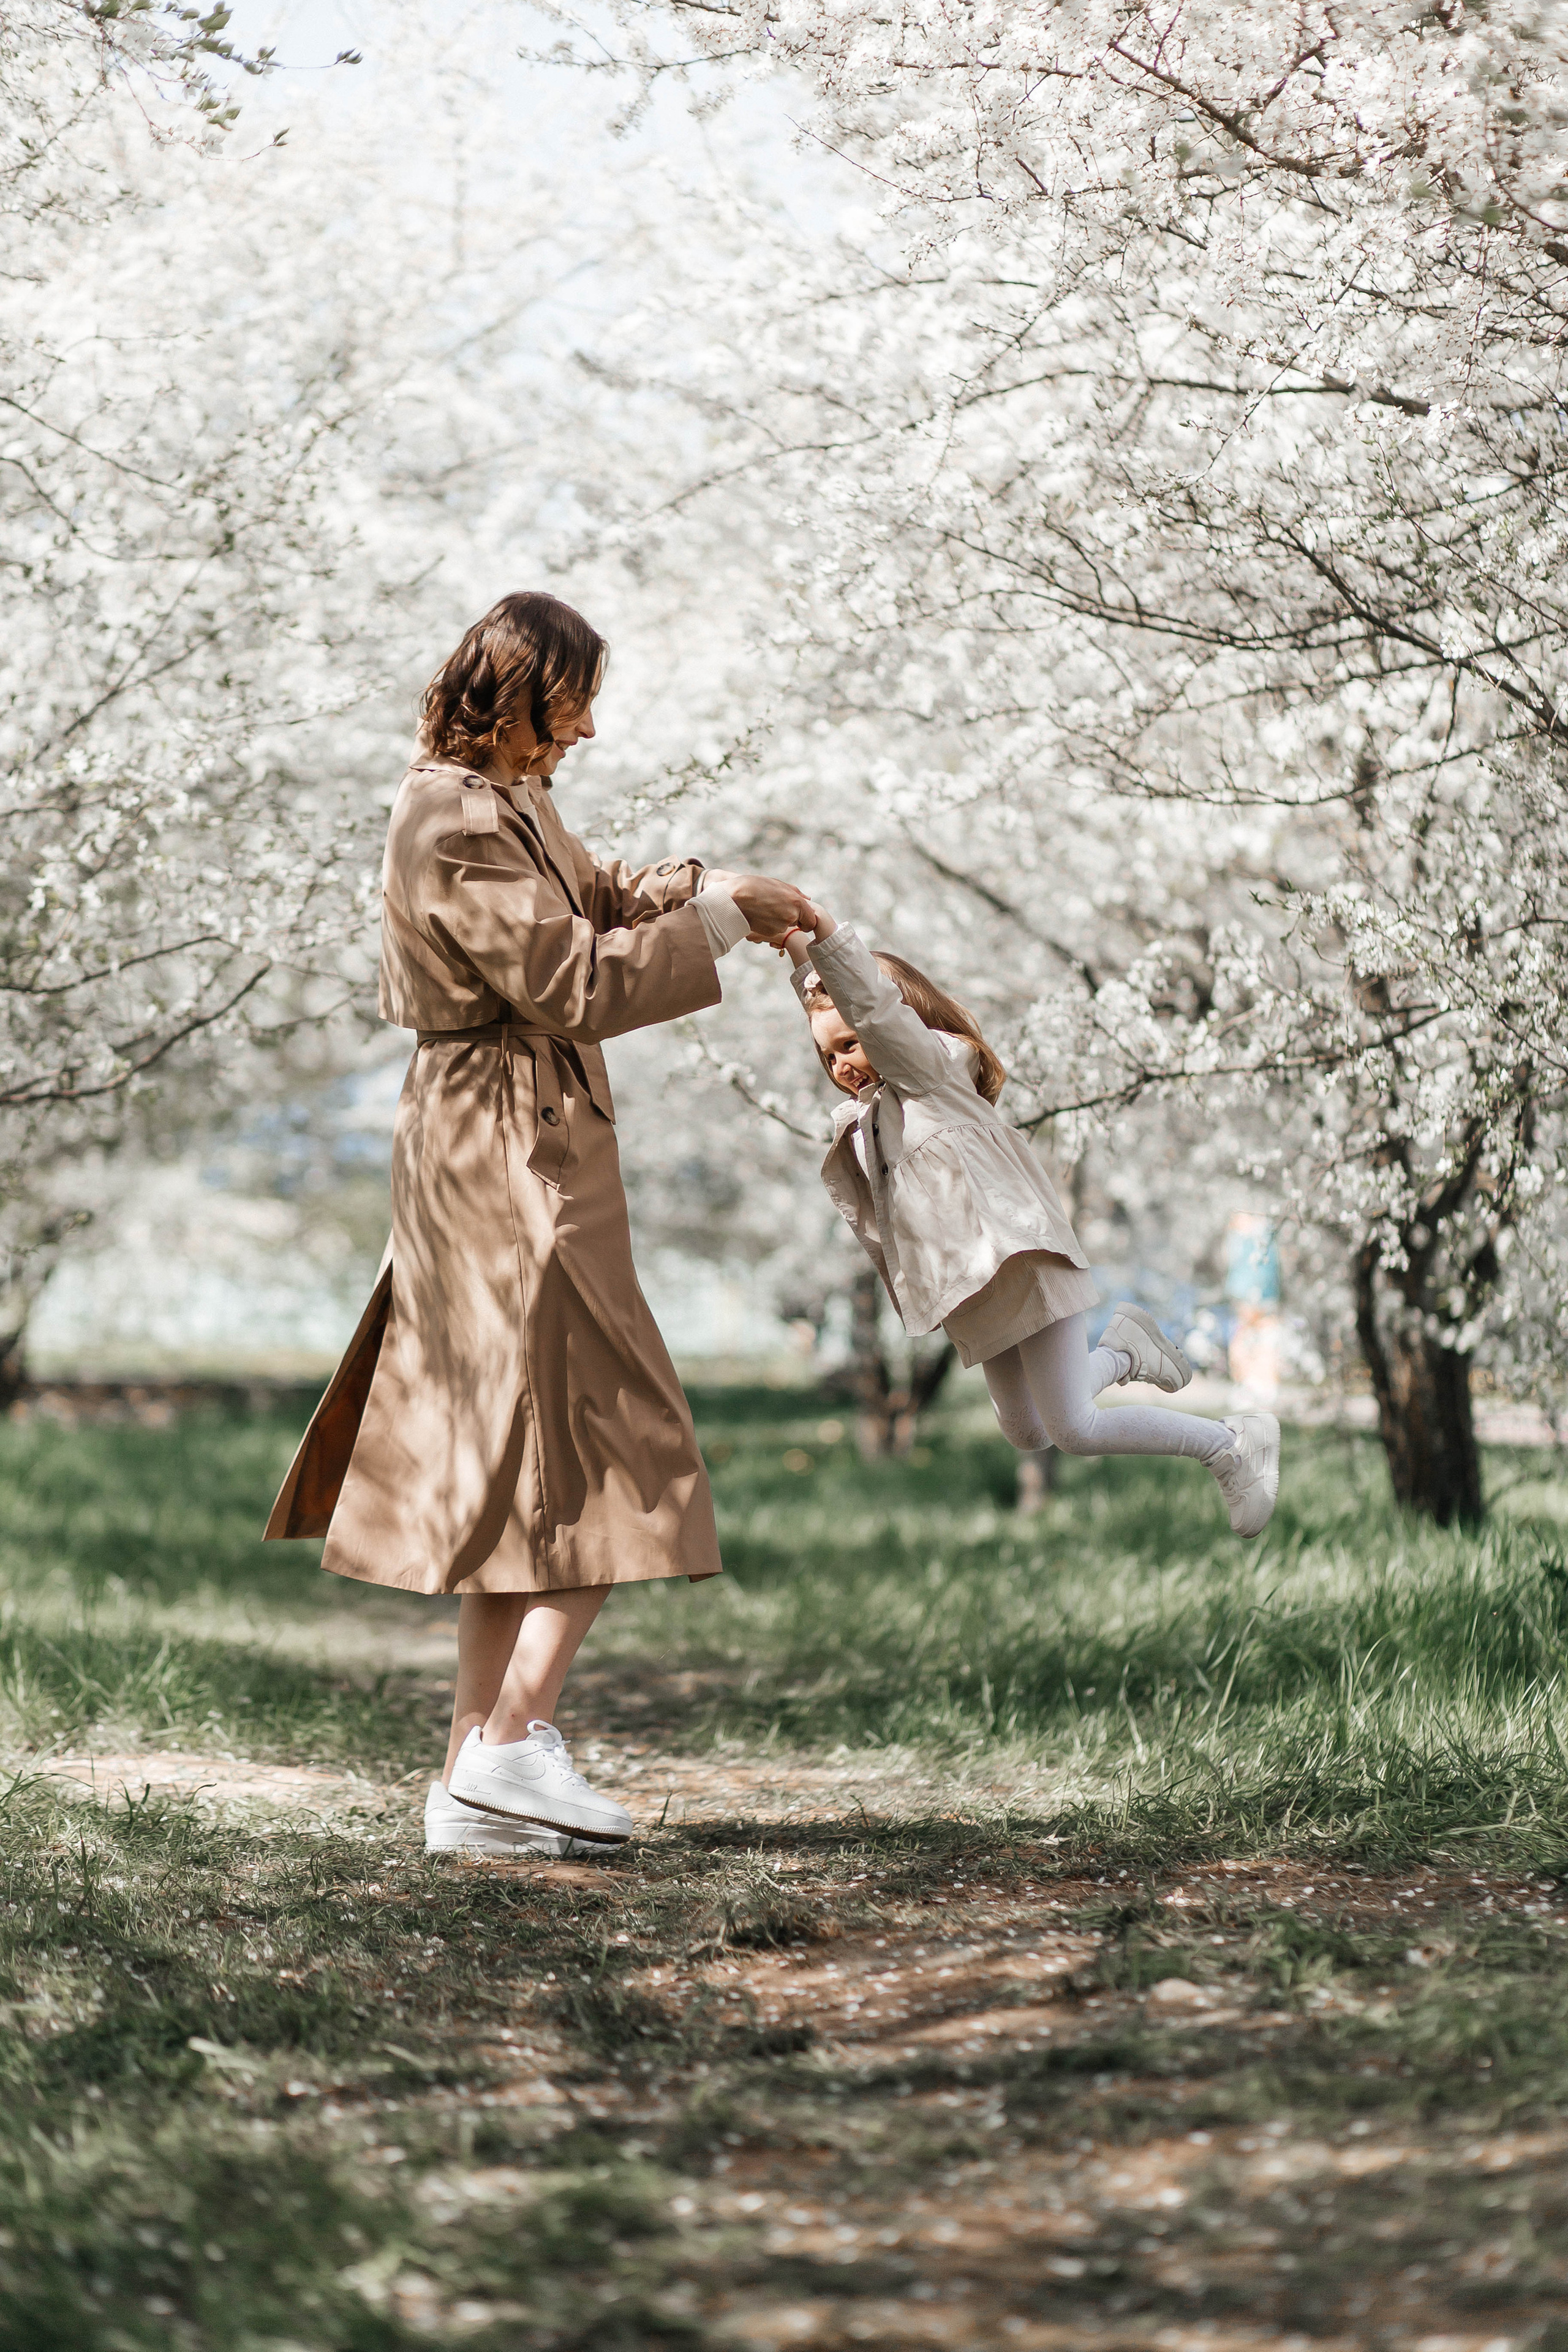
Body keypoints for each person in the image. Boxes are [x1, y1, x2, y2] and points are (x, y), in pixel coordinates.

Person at [265, 592, 812, 1857]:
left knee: (524, 1476)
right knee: (618, 1445)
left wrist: (705, 885)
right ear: (519, 691)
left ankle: (474, 1782)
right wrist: (719, 926)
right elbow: (567, 976)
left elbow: (591, 891)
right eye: (575, 700)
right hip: (508, 1149)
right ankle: (511, 1745)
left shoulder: (502, 802)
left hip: (511, 1134)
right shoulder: (450, 814)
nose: (589, 726)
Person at [783, 908, 1280, 1536]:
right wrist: (802, 958)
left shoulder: (929, 1074)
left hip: (1017, 1253)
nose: (842, 1066)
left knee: (1074, 1428)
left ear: (896, 1023)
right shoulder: (873, 1115)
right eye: (828, 1057)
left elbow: (874, 1011)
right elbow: (842, 1009)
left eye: (850, 1046)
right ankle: (1123, 1355)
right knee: (1026, 1431)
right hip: (971, 1282)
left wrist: (825, 941)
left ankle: (1231, 1444)